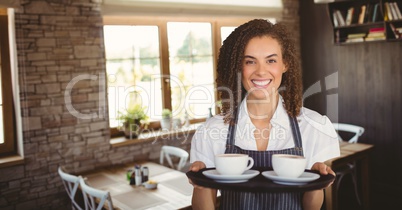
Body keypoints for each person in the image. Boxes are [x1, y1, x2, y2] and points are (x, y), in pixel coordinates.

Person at [189, 19, 340, 210]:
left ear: (285, 64)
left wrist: (317, 184)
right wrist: (200, 183)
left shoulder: (315, 126)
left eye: (271, 60)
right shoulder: (211, 131)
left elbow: (310, 208)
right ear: (238, 67)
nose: (261, 71)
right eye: (250, 61)